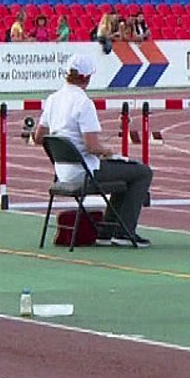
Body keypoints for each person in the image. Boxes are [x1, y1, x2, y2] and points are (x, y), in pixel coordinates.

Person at [33, 55, 153, 247]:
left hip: (62, 173)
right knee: (142, 172)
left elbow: (39, 138)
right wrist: (108, 150)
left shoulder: (52, 100)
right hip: (85, 172)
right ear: (86, 78)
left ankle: (107, 232)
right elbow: (92, 147)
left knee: (123, 174)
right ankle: (123, 232)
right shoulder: (83, 103)